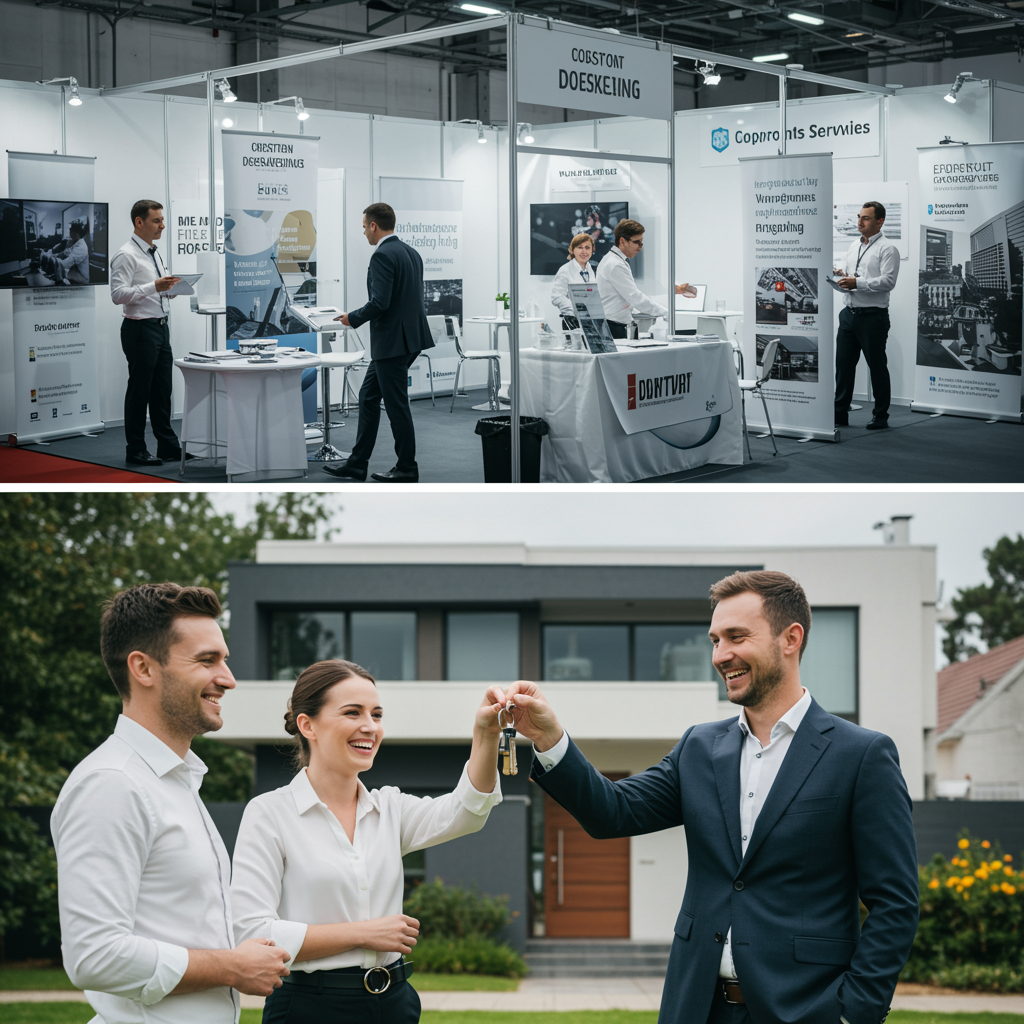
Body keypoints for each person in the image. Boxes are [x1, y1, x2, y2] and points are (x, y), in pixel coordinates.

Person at [501, 570, 919, 1024]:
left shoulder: (861, 755)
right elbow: (612, 812)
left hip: (806, 1010)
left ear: (790, 638)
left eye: (736, 637)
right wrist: (549, 737)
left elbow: (895, 901)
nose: (721, 655)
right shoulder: (698, 748)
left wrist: (854, 1011)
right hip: (696, 1008)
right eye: (715, 640)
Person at [50, 583, 291, 1024]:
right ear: (143, 668)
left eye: (225, 659)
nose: (228, 678)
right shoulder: (113, 784)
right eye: (207, 660)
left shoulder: (176, 782)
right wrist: (232, 966)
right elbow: (94, 955)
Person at [230, 659, 505, 1023]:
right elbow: (253, 932)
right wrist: (363, 934)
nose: (370, 727)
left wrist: (486, 733)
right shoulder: (269, 813)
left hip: (395, 1004)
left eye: (376, 714)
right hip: (309, 1007)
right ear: (307, 724)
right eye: (352, 712)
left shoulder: (390, 808)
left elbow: (468, 811)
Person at [324, 203, 434, 483]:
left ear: (374, 225)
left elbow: (380, 302)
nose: (364, 233)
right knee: (368, 397)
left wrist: (352, 318)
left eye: (364, 227)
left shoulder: (382, 255)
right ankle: (357, 463)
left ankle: (407, 467)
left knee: (396, 405)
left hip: (392, 343)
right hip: (409, 339)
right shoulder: (411, 253)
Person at [110, 200, 185, 466]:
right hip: (140, 329)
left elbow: (154, 290)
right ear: (138, 222)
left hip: (160, 327)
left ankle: (167, 446)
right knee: (140, 391)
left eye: (162, 220)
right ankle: (136, 450)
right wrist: (153, 286)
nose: (162, 225)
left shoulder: (153, 252)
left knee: (163, 391)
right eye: (156, 221)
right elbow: (117, 295)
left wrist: (171, 288)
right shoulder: (126, 254)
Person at [833, 202, 900, 431]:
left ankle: (880, 416)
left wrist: (857, 282)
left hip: (873, 317)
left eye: (866, 218)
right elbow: (854, 273)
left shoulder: (888, 249)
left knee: (877, 367)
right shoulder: (854, 245)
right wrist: (843, 275)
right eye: (859, 217)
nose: (860, 222)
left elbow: (888, 282)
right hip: (849, 315)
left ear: (880, 221)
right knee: (843, 366)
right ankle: (839, 413)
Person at [595, 217, 693, 339]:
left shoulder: (614, 260)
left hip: (614, 324)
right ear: (622, 241)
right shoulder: (615, 265)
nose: (640, 247)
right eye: (637, 242)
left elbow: (630, 296)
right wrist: (666, 313)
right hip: (613, 327)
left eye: (642, 242)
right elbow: (636, 298)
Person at [551, 233, 598, 330]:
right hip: (573, 322)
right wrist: (576, 309)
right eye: (580, 247)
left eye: (587, 247)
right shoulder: (565, 270)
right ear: (572, 250)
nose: (584, 251)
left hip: (592, 321)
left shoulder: (592, 269)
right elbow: (556, 297)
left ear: (592, 250)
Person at [41, 221, 90, 285]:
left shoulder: (81, 247)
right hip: (72, 274)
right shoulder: (72, 241)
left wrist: (51, 258)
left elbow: (65, 264)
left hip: (80, 279)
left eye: (71, 231)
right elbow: (63, 253)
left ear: (76, 233)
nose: (69, 233)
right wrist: (53, 255)